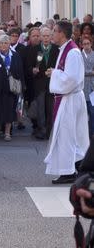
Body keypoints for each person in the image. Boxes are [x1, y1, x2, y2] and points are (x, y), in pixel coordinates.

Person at [45, 21, 89, 184]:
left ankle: (68, 171)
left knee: (67, 136)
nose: (52, 35)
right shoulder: (66, 50)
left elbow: (72, 79)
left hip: (70, 99)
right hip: (68, 98)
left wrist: (55, 74)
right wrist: (55, 73)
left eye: (54, 31)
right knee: (73, 136)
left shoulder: (72, 53)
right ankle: (75, 167)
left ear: (62, 34)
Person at [0, 34, 24, 141]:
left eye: (6, 43)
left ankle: (7, 132)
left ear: (9, 44)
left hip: (11, 88)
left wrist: (22, 86)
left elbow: (20, 72)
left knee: (10, 110)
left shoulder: (15, 56)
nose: (4, 45)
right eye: (1, 43)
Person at [26, 27, 59, 139]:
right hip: (39, 83)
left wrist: (54, 71)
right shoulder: (34, 49)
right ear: (40, 37)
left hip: (52, 83)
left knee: (50, 108)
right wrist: (32, 70)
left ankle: (50, 131)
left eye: (48, 36)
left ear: (51, 37)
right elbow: (28, 66)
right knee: (40, 108)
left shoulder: (56, 49)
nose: (45, 38)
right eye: (43, 36)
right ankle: (41, 130)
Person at [81, 36, 94, 137]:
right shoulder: (80, 56)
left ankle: (92, 132)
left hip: (92, 87)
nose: (86, 46)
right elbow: (81, 71)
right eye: (84, 44)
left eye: (88, 43)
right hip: (83, 86)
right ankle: (84, 133)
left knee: (92, 111)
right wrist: (91, 72)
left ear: (91, 44)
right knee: (83, 113)